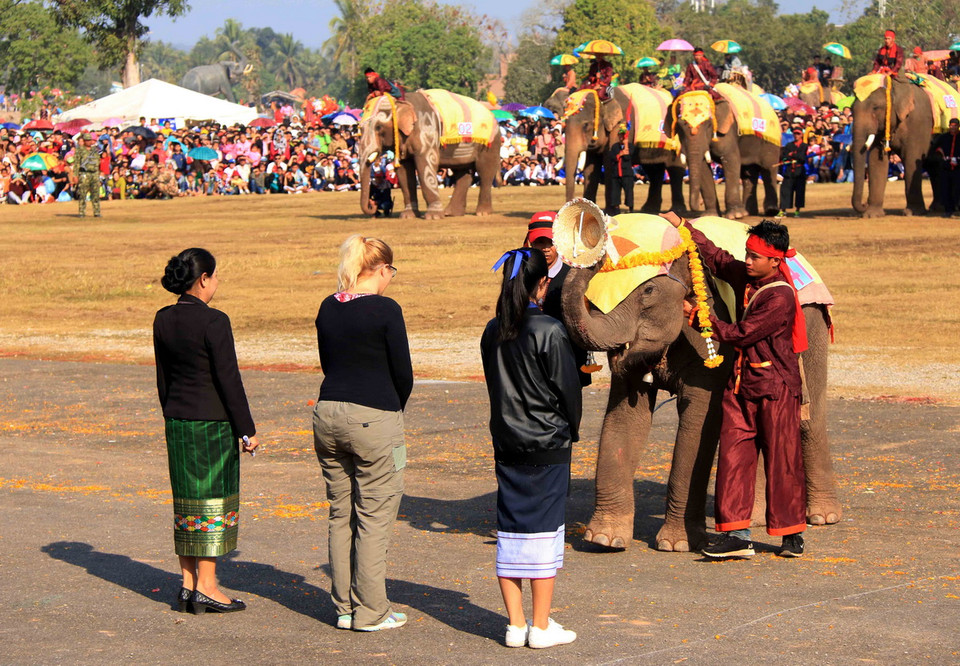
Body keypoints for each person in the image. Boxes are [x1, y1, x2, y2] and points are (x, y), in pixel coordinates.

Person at [662, 213, 807, 560]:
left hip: (777, 389)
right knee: (733, 457)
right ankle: (737, 535)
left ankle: (791, 534)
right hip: (742, 385)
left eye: (755, 256)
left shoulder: (780, 297)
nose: (747, 260)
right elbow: (717, 258)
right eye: (748, 253)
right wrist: (684, 226)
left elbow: (740, 334)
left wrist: (699, 315)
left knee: (782, 460)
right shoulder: (747, 276)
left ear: (775, 260)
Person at [481, 246, 582, 649]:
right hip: (546, 443)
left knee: (511, 530)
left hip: (507, 441)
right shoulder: (549, 330)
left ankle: (515, 623)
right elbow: (567, 390)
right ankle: (540, 627)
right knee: (545, 533)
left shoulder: (492, 330)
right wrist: (570, 429)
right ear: (543, 283)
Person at [312, 235, 413, 632]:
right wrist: (392, 407)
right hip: (374, 414)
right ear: (382, 269)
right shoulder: (386, 309)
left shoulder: (328, 306)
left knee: (341, 512)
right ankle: (372, 611)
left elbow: (326, 360)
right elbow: (402, 371)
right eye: (391, 271)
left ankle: (345, 607)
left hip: (328, 411)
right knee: (374, 515)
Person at [153, 248, 260, 614]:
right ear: (203, 280)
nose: (217, 283)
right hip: (212, 424)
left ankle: (187, 584)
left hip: (178, 422)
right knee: (211, 502)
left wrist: (173, 413)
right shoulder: (215, 321)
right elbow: (228, 380)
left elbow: (163, 379)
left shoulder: (163, 318)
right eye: (215, 277)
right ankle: (208, 586)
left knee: (186, 502)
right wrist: (247, 430)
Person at [523, 212, 592, 387]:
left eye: (550, 242)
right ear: (530, 243)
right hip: (530, 365)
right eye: (539, 242)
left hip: (567, 365)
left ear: (560, 243)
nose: (545, 248)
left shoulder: (574, 277)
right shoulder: (520, 277)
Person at [604, 126, 635, 215]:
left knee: (629, 192)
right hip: (616, 174)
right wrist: (620, 154)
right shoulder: (615, 147)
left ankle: (630, 209)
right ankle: (616, 210)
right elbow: (612, 157)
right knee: (615, 193)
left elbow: (628, 157)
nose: (621, 138)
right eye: (620, 136)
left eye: (623, 136)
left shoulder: (631, 146)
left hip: (627, 174)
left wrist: (625, 146)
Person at [933, 118, 960, 217]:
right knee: (946, 188)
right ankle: (948, 210)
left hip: (958, 167)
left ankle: (957, 208)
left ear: (958, 126)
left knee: (957, 189)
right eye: (951, 125)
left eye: (955, 125)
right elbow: (935, 148)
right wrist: (941, 155)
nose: (953, 127)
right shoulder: (943, 137)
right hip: (946, 166)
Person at [779, 128, 808, 217]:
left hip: (799, 171)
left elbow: (802, 157)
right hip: (789, 171)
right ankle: (783, 210)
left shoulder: (804, 146)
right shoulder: (789, 145)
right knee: (785, 190)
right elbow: (784, 157)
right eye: (795, 134)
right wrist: (791, 156)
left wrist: (792, 155)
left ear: (801, 135)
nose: (796, 135)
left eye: (798, 134)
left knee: (799, 191)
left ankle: (797, 211)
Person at [74, 132, 101, 217]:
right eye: (87, 140)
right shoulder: (80, 150)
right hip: (84, 173)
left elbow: (98, 161)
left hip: (94, 173)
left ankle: (96, 212)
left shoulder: (95, 150)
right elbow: (77, 163)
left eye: (90, 140)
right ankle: (82, 212)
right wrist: (76, 175)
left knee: (95, 193)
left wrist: (98, 172)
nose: (90, 142)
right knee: (82, 193)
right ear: (84, 141)